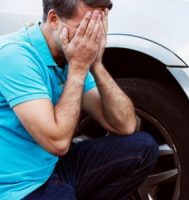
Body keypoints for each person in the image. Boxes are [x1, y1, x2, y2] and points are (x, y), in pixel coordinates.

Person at [0, 0, 159, 199]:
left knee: (142, 148)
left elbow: (125, 125)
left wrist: (97, 65)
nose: (90, 39)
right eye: (84, 27)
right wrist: (78, 68)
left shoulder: (69, 54)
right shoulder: (15, 56)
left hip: (52, 168)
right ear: (54, 19)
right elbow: (57, 143)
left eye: (97, 28)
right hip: (16, 187)